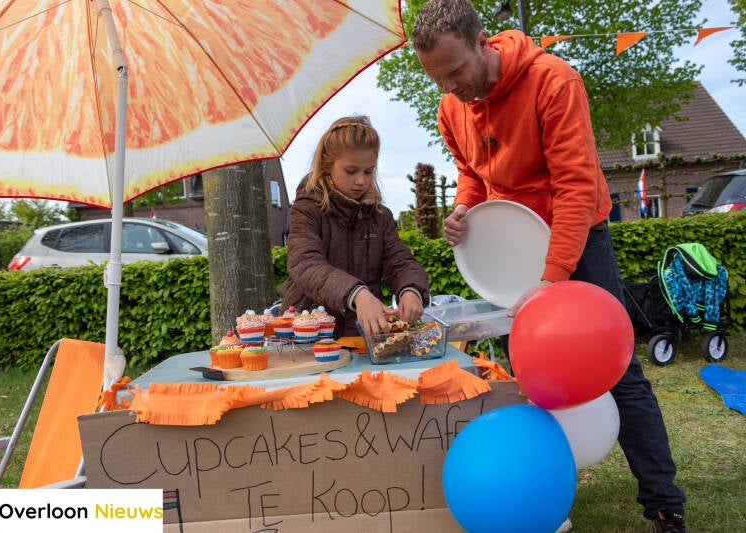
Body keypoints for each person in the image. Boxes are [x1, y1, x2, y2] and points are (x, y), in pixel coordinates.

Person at [412, 1, 688, 532]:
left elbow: (576, 189)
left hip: (578, 237)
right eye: (438, 79)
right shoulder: (451, 107)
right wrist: (464, 209)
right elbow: (471, 172)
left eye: (456, 72)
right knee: (532, 374)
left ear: (482, 42)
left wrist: (552, 278)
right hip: (514, 248)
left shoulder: (553, 81)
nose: (451, 89)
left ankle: (663, 503)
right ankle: (537, 495)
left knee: (617, 367)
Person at [280, 115, 430, 338]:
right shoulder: (306, 209)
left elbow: (400, 261)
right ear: (327, 164)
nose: (361, 180)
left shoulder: (381, 216)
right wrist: (358, 294)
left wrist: (411, 289)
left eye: (368, 171)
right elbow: (305, 263)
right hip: (309, 335)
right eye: (351, 171)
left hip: (364, 337)